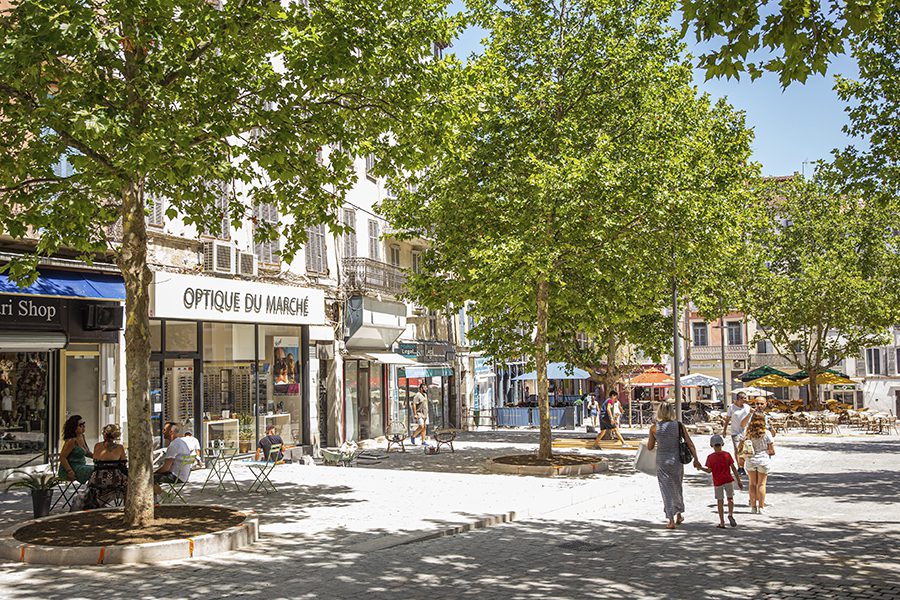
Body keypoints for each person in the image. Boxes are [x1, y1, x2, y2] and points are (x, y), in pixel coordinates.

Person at [647, 402, 702, 529]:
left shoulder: (654, 428)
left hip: (662, 461)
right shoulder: (678, 425)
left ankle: (670, 519)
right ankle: (679, 514)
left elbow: (650, 447)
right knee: (677, 486)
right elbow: (690, 443)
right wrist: (696, 459)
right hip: (676, 460)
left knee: (665, 489)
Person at [699, 434, 743, 528]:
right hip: (728, 479)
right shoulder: (727, 455)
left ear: (712, 445)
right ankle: (730, 514)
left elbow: (709, 471)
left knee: (720, 501)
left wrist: (700, 468)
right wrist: (738, 481)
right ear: (722, 444)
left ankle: (722, 522)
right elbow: (734, 468)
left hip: (718, 481)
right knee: (730, 498)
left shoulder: (710, 457)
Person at [83, 424, 128, 509]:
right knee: (129, 484)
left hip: (97, 479)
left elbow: (95, 459)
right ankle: (126, 507)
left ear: (104, 434)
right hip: (115, 479)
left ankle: (99, 503)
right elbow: (123, 462)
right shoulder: (120, 447)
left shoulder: (97, 446)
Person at [740, 412, 775, 514]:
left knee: (752, 484)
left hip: (750, 460)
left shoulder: (747, 433)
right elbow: (772, 450)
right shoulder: (766, 433)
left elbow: (740, 446)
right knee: (761, 484)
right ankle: (761, 507)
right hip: (763, 460)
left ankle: (753, 507)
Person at [153, 422, 193, 498]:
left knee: (149, 479)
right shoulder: (181, 442)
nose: (163, 432)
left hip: (176, 476)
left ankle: (164, 496)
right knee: (155, 478)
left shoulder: (173, 445)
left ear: (171, 432)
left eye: (164, 430)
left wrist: (154, 473)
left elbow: (166, 468)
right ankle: (159, 498)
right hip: (183, 476)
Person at [722, 392, 752, 475]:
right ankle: (740, 467)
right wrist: (724, 430)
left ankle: (743, 465)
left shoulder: (747, 407)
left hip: (745, 431)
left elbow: (750, 419)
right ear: (739, 399)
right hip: (735, 432)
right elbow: (727, 419)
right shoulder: (731, 407)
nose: (745, 400)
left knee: (745, 450)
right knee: (737, 449)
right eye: (744, 398)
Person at [58, 415, 94, 483]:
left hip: (81, 467)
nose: (83, 427)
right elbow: (62, 457)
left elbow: (87, 452)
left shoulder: (82, 437)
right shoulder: (71, 441)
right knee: (95, 471)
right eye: (80, 425)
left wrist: (99, 458)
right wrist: (69, 471)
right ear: (74, 427)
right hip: (71, 468)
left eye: (84, 424)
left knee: (100, 469)